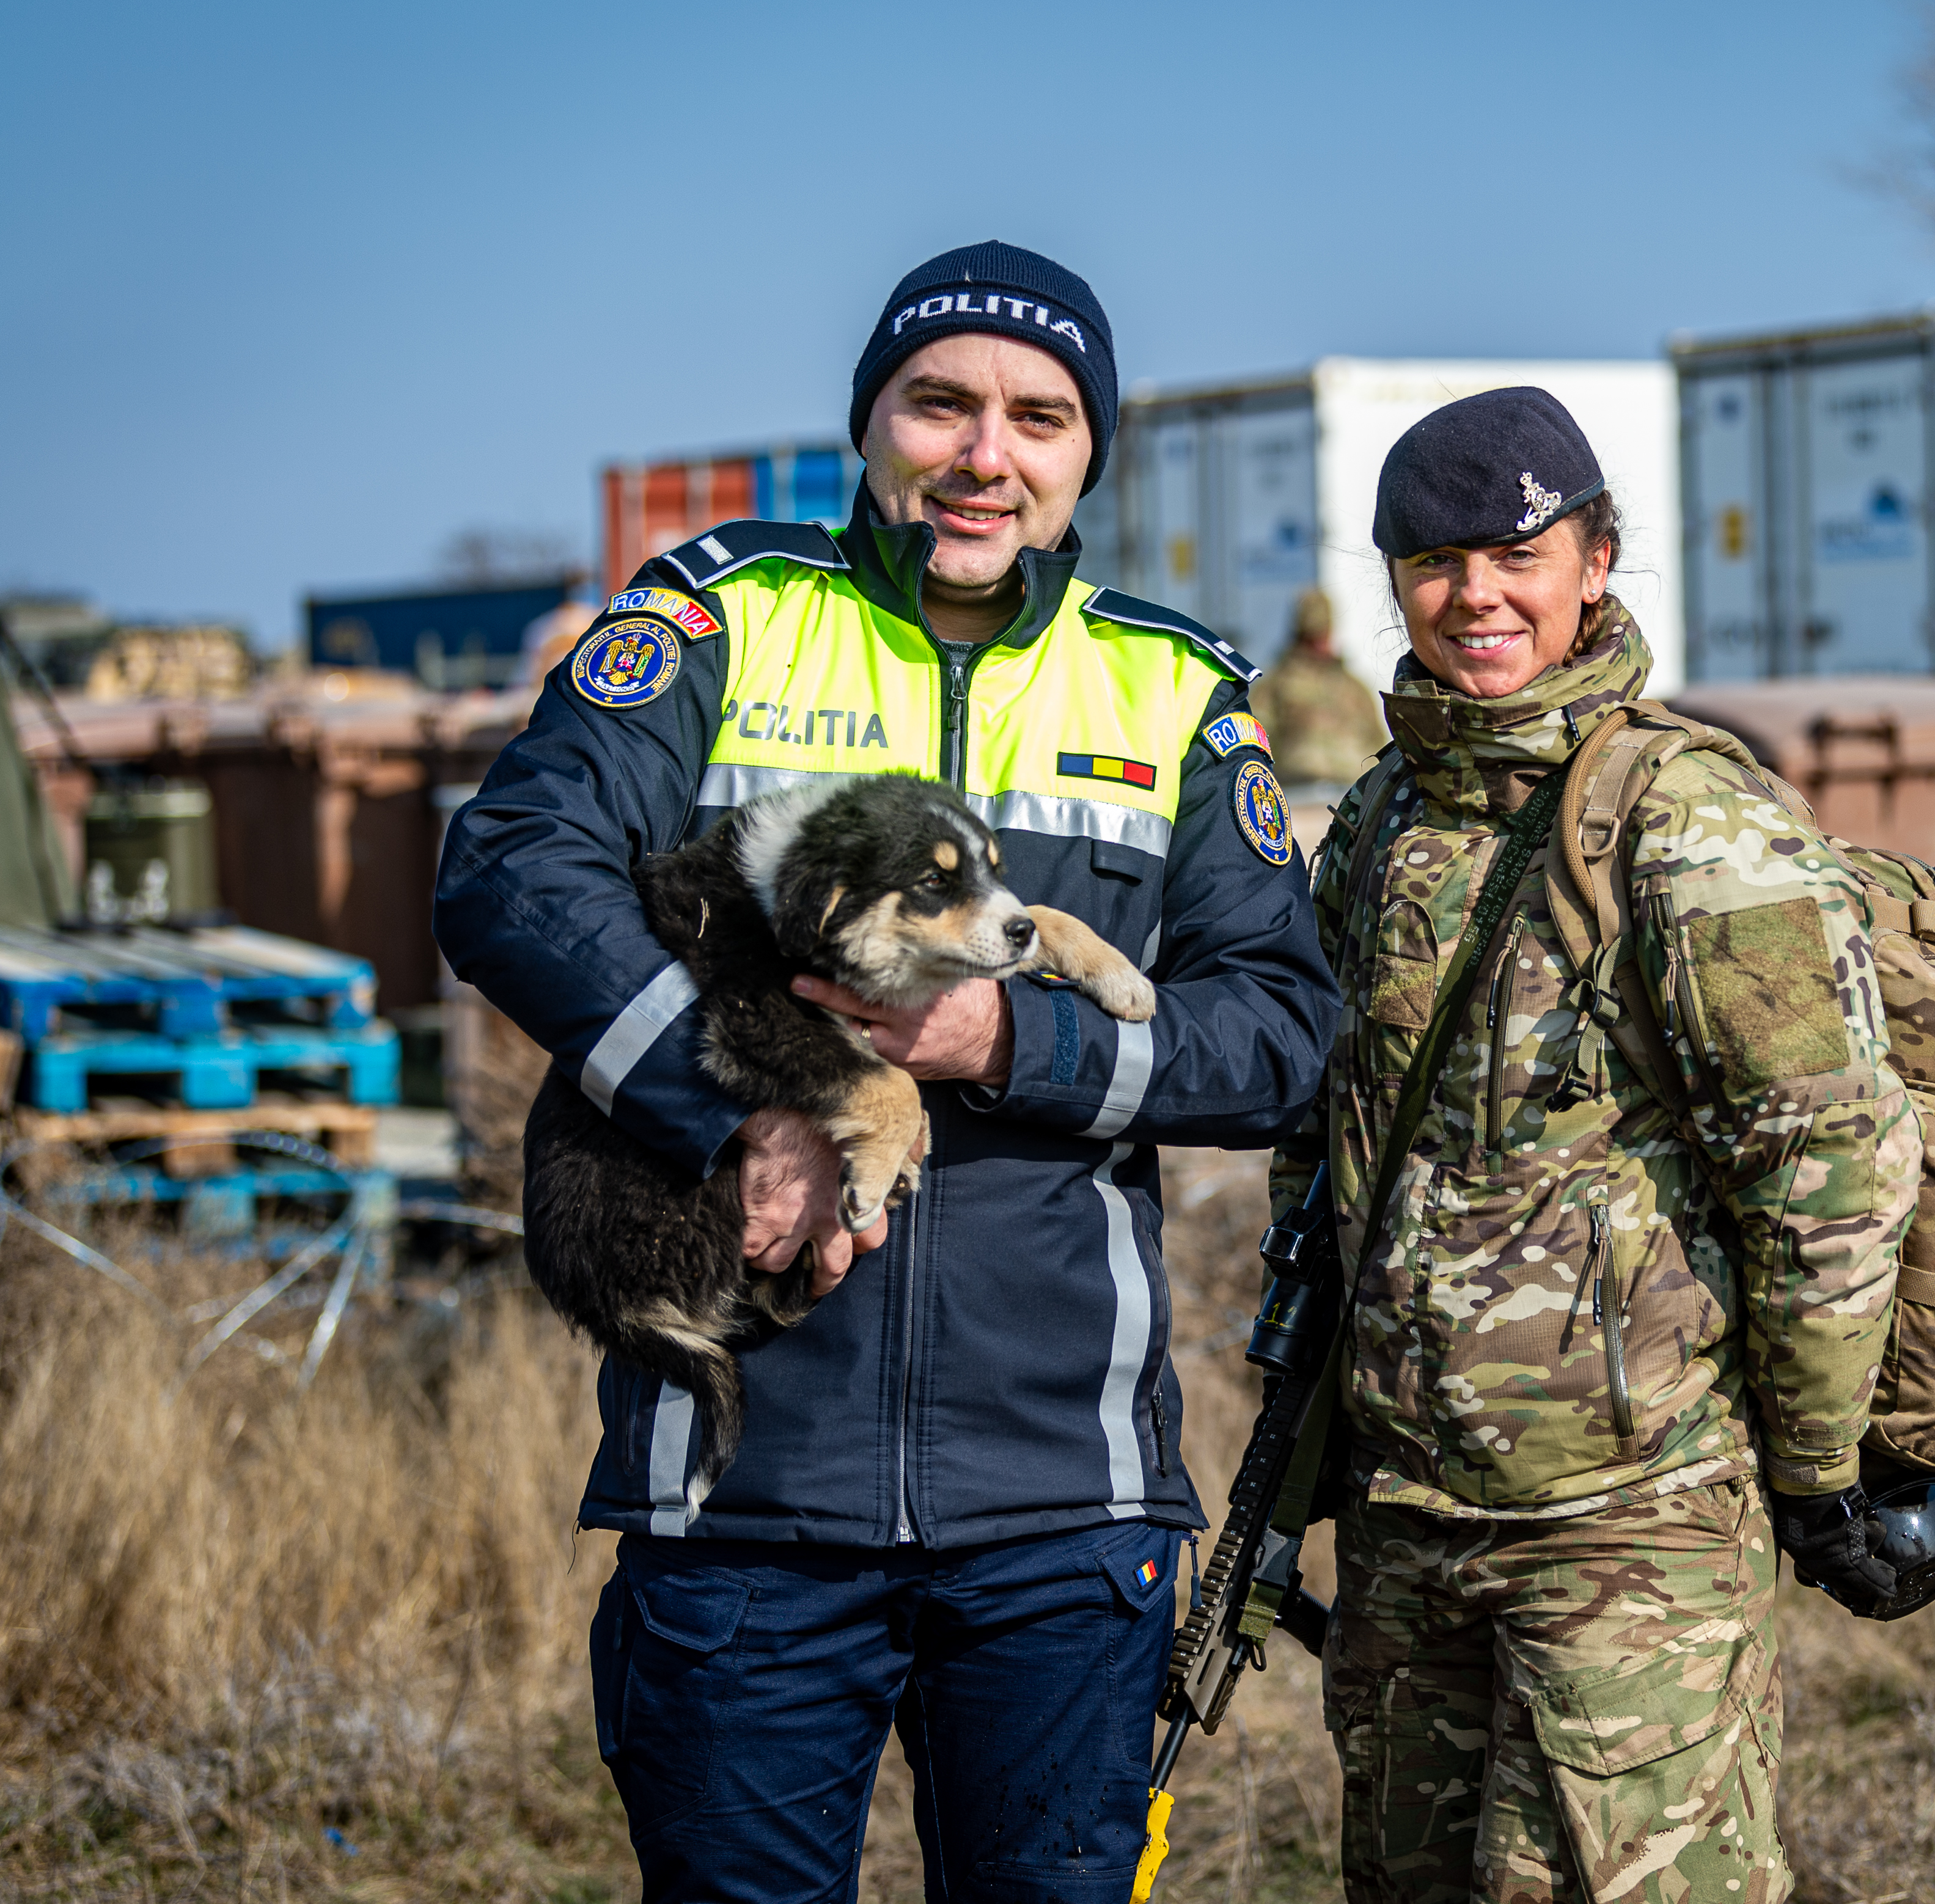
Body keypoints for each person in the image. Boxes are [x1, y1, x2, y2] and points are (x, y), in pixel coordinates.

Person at [436, 240, 1340, 1901]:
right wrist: (740, 1114)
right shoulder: (718, 614)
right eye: (941, 403)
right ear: (871, 427)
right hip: (742, 1506)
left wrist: (1011, 1039)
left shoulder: (1178, 688)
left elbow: (1287, 1037)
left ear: (1087, 458)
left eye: (1039, 418)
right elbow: (509, 871)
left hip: (1067, 1522)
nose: (984, 454)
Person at [1268, 388, 1924, 1903]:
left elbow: (1826, 1163)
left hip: (1627, 1523)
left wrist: (1819, 1467)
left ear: (1596, 559)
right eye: (1432, 562)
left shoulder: (1690, 817)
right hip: (1407, 1517)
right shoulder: (1378, 820)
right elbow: (1333, 1137)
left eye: (1516, 554)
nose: (1475, 595)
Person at [1249, 585, 1388, 790]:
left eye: (1322, 636)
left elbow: (1378, 744)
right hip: (1296, 794)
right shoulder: (1276, 686)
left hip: (1351, 794)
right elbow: (1255, 745)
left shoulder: (1354, 687)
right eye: (1311, 638)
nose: (1319, 645)